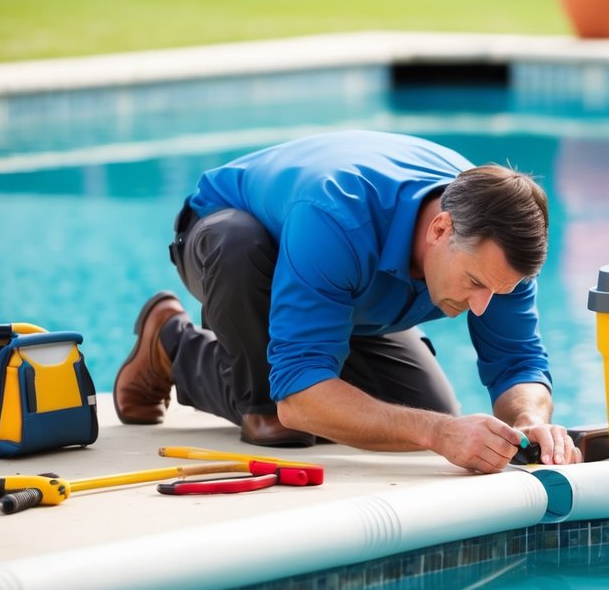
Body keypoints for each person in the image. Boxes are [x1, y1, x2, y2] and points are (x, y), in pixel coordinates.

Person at [113, 129, 580, 473]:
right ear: (439, 230)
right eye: (476, 283)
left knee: (426, 409)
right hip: (230, 242)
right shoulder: (336, 214)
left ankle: (312, 343)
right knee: (280, 419)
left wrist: (530, 421)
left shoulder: (496, 238)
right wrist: (436, 433)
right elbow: (299, 399)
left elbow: (517, 362)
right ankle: (172, 346)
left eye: (497, 291)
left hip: (340, 282)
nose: (482, 307)